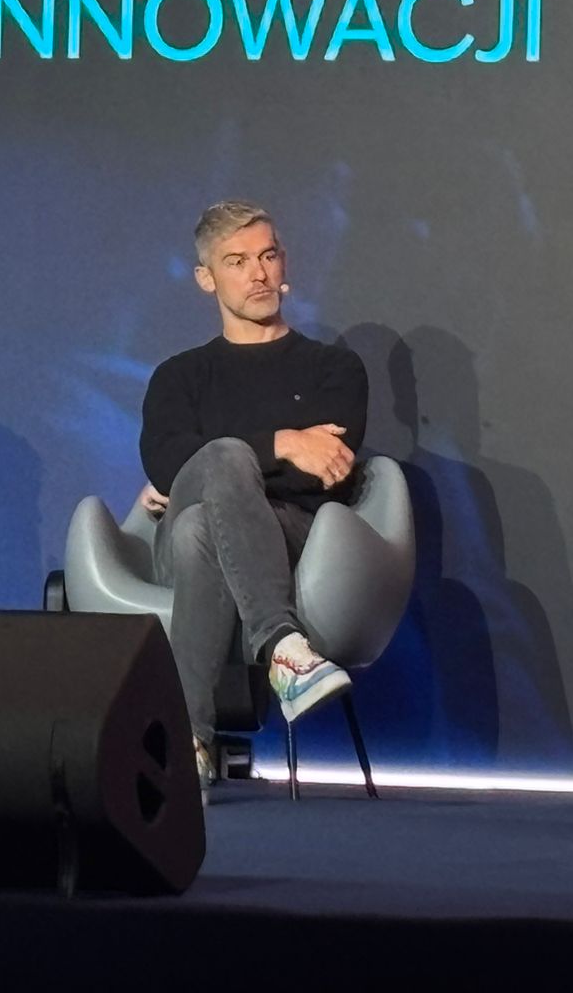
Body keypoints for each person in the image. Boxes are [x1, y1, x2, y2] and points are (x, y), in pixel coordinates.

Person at [138, 200, 370, 790]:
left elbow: (324, 475)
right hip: (183, 545)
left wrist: (221, 470)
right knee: (222, 461)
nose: (258, 274)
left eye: (267, 256)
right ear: (206, 278)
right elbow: (165, 465)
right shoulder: (180, 376)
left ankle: (189, 747)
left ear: (283, 262)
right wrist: (285, 443)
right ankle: (284, 647)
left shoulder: (334, 368)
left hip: (294, 539)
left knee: (201, 525)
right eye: (237, 261)